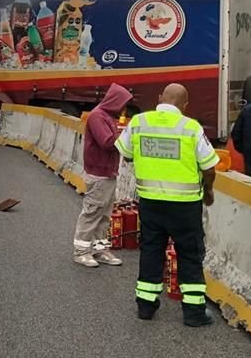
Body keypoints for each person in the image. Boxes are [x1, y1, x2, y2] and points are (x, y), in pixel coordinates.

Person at [115, 83, 219, 327]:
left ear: (160, 97)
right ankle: (194, 313)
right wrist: (209, 191)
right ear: (185, 105)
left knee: (151, 249)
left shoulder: (139, 122)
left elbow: (127, 154)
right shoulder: (191, 127)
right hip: (185, 205)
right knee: (190, 255)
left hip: (150, 202)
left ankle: (145, 306)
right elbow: (209, 167)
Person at [73, 83, 133, 268]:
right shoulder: (98, 116)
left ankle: (98, 249)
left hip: (107, 172)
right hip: (99, 173)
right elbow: (107, 142)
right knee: (92, 212)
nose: (124, 108)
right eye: (123, 103)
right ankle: (81, 251)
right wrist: (128, 135)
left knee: (104, 213)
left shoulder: (106, 116)